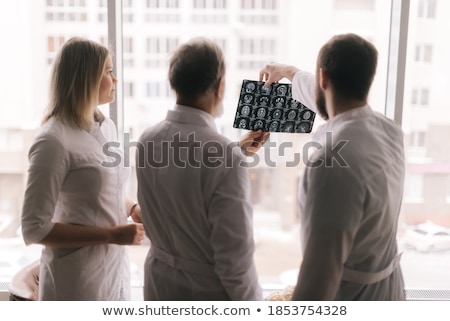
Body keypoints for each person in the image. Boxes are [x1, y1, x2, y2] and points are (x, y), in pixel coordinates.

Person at [259, 33, 405, 300]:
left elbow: (320, 273)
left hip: (349, 298)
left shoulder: (331, 160)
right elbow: (331, 103)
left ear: (323, 78)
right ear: (367, 80)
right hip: (388, 292)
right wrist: (289, 72)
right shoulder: (390, 130)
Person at [136, 37, 268, 300]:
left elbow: (180, 185)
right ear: (219, 87)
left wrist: (234, 152)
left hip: (158, 284)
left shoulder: (147, 139)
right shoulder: (226, 158)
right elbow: (235, 261)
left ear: (174, 84)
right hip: (206, 294)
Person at [21, 37, 145, 301]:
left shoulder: (107, 126)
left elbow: (102, 187)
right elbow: (34, 228)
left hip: (115, 274)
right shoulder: (52, 141)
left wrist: (132, 208)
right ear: (86, 78)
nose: (116, 79)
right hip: (76, 283)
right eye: (109, 72)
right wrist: (112, 235)